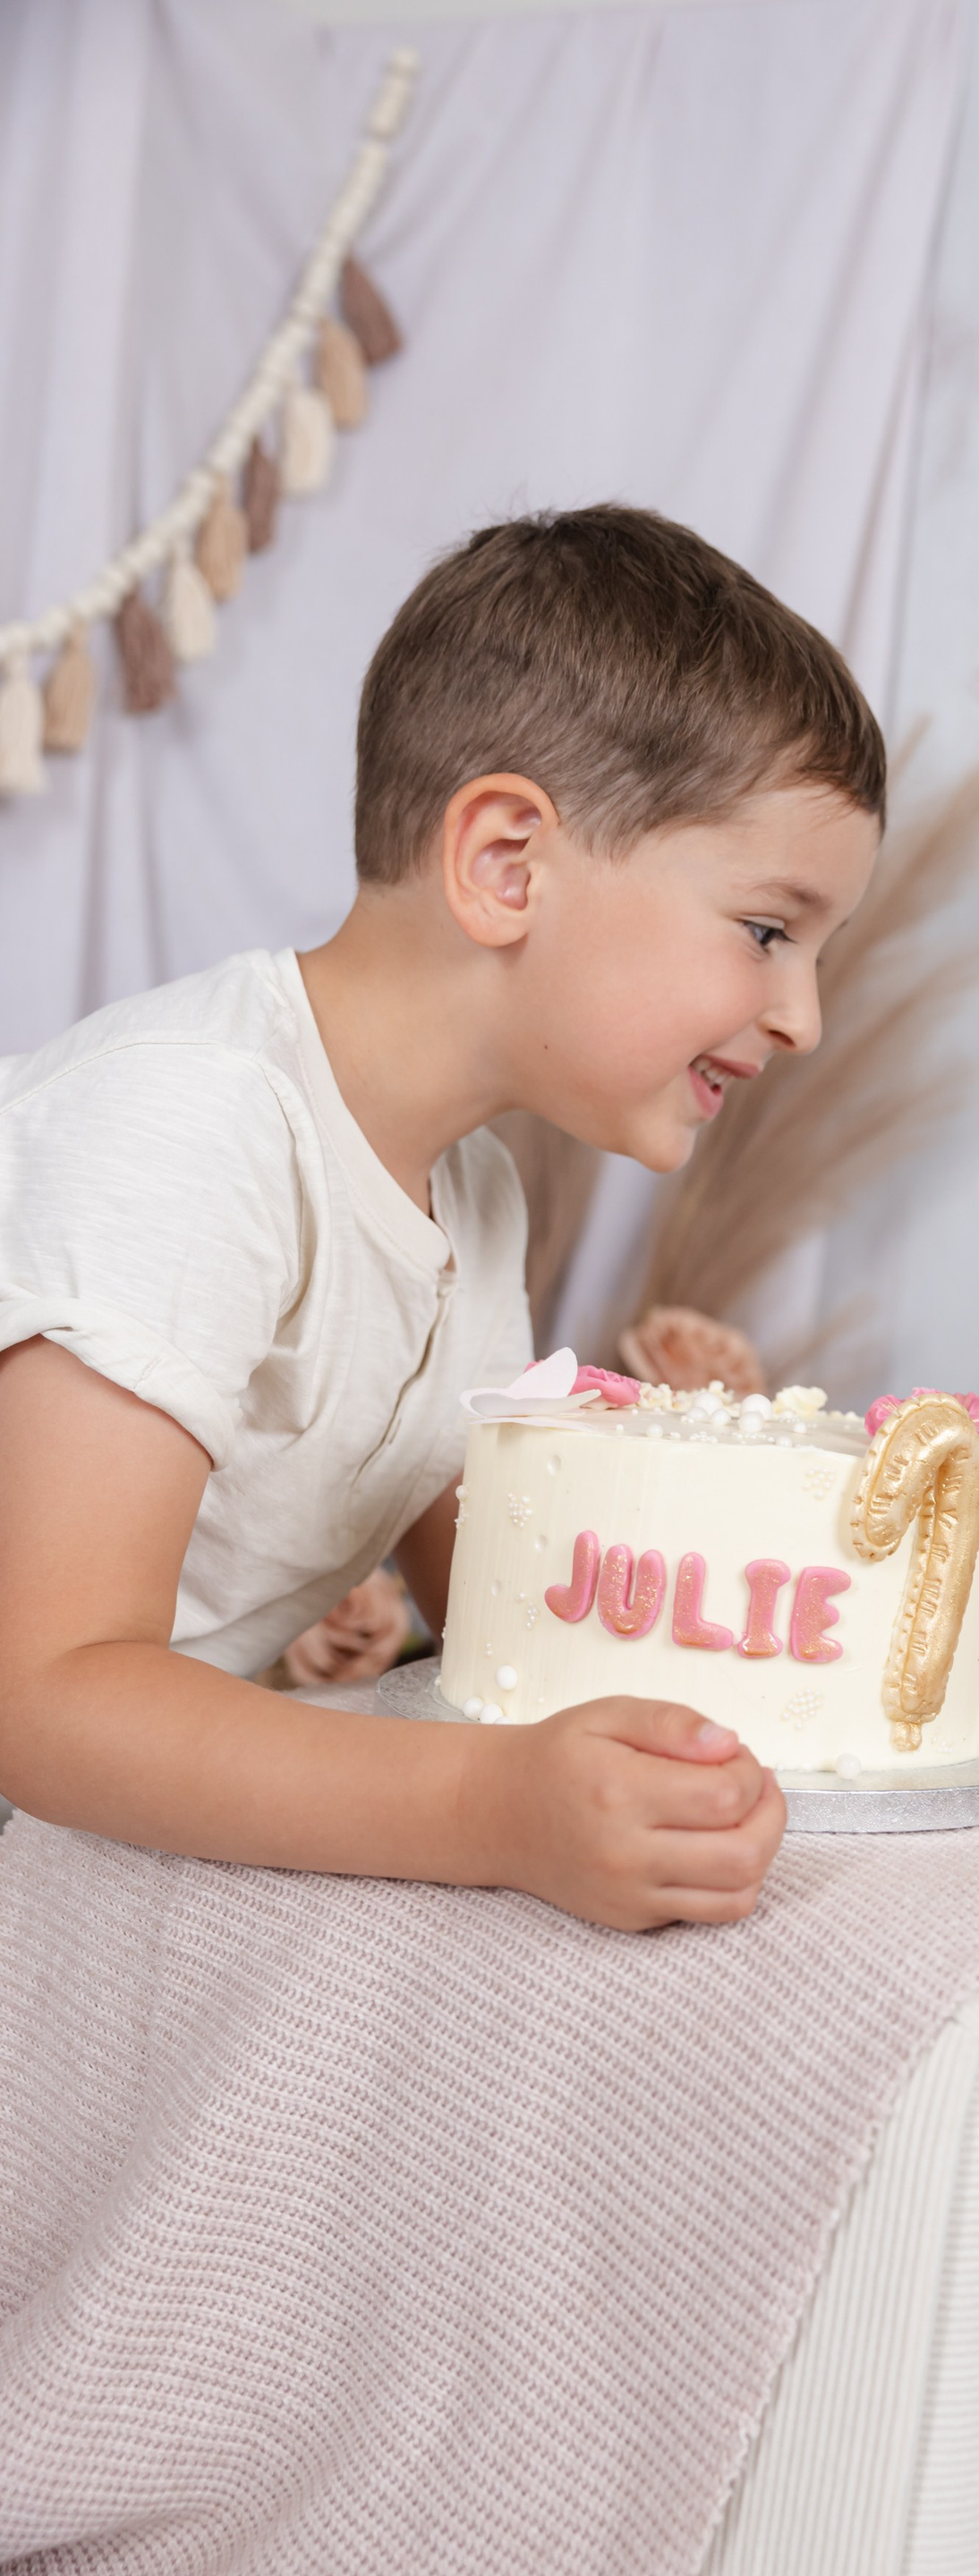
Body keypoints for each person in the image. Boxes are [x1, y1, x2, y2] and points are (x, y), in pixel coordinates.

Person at [0, 505, 883, 1931]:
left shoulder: (473, 1196)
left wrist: (829, 1585)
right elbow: (44, 1701)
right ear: (506, 863)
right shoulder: (191, 1124)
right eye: (769, 931)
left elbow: (501, 1614)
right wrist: (494, 1808)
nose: (804, 1017)